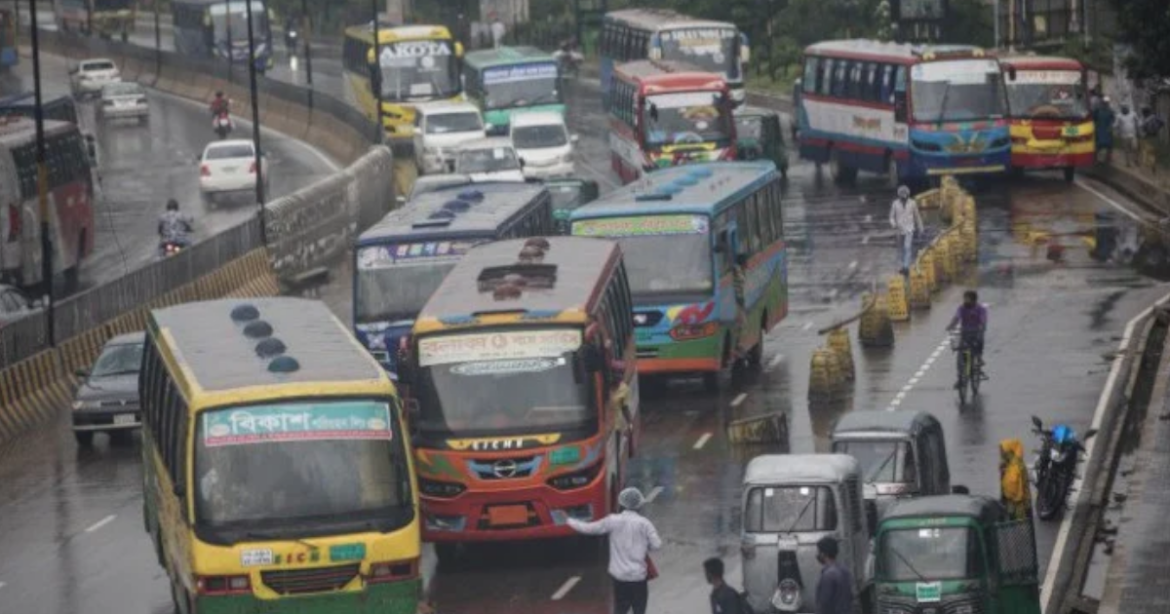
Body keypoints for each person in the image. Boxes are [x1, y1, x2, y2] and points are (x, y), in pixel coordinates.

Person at [567, 488, 662, 614]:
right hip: (638, 578)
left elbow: (589, 528)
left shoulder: (613, 521)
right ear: (639, 505)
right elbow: (657, 545)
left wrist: (568, 521)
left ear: (621, 503)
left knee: (620, 609)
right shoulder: (644, 524)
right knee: (639, 610)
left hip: (619, 578)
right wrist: (644, 545)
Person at [946, 290, 988, 378]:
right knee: (962, 351)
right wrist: (950, 325)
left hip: (976, 332)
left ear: (974, 300)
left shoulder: (980, 309)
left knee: (979, 341)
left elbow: (983, 320)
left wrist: (982, 327)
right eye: (965, 299)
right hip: (965, 332)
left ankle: (979, 358)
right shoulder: (961, 308)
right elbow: (957, 317)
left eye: (967, 299)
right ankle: (961, 377)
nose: (965, 301)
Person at [889, 185, 924, 275]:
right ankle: (902, 265)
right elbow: (891, 217)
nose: (903, 198)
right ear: (899, 195)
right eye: (902, 196)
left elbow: (917, 216)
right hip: (899, 230)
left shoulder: (912, 203)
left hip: (909, 229)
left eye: (905, 195)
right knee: (901, 249)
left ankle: (906, 267)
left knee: (907, 247)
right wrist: (894, 224)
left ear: (908, 195)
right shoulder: (895, 204)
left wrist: (920, 228)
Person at [815, 536, 854, 614]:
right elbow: (851, 596)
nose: (817, 555)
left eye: (818, 552)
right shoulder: (845, 571)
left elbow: (824, 604)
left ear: (823, 554)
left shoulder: (828, 575)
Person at [1094, 96, 1115, 164]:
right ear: (1102, 103)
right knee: (1098, 145)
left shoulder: (1110, 111)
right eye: (1104, 103)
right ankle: (1096, 158)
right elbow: (1094, 119)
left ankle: (1108, 158)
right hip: (1100, 129)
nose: (1106, 104)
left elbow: (1113, 120)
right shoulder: (1097, 110)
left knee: (1109, 145)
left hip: (1107, 130)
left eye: (1107, 103)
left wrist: (1111, 127)